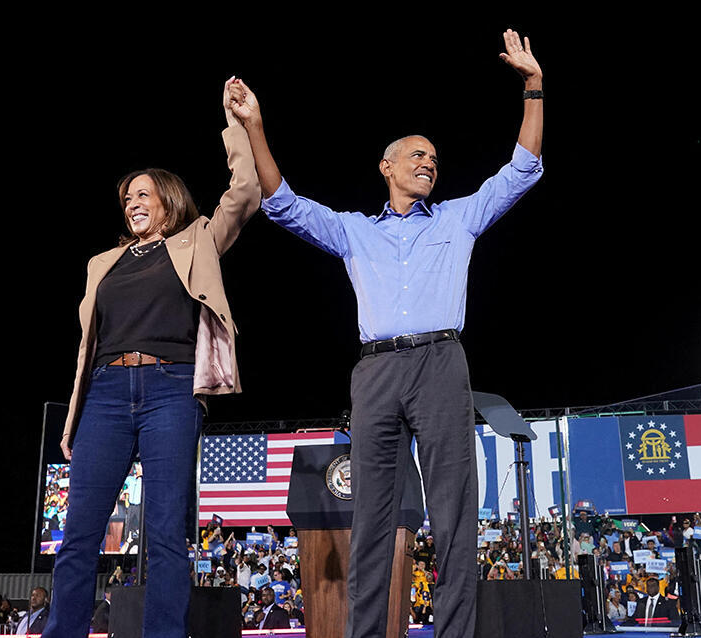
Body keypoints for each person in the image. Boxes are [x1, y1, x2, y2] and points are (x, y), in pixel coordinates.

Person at [229, 29, 544, 638]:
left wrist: (533, 87)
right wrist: (255, 126)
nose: (428, 162)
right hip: (374, 372)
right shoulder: (355, 230)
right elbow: (282, 203)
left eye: (434, 158)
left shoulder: (458, 218)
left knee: (453, 512)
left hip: (441, 363)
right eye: (416, 155)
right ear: (387, 167)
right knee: (371, 517)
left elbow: (523, 170)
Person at [44, 79, 260, 638]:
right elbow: (84, 352)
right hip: (107, 396)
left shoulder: (197, 241)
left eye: (143, 194)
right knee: (79, 532)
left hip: (171, 389)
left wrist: (238, 123)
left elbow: (246, 190)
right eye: (126, 199)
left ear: (169, 198)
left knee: (165, 531)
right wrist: (75, 419)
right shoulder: (102, 263)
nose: (133, 204)